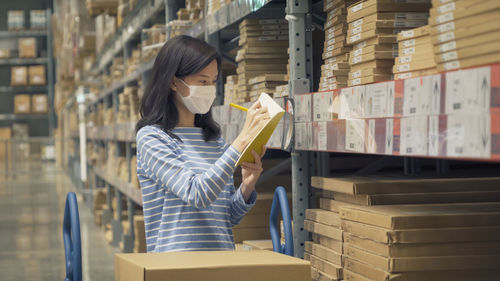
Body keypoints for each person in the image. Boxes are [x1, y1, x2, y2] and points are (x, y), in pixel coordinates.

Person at [135, 35, 270, 252]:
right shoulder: (152, 138)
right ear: (173, 82)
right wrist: (241, 140)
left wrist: (246, 186)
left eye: (213, 81)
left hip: (220, 264)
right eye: (202, 81)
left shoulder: (215, 142)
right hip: (175, 269)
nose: (210, 89)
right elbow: (196, 194)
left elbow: (226, 218)